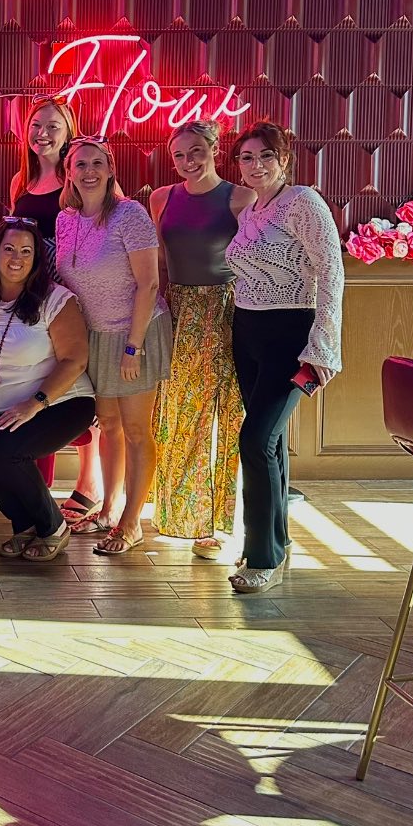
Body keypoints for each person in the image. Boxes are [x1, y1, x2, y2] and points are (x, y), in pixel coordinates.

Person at [225, 121, 344, 593]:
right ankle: (276, 541)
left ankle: (262, 558)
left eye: (265, 156)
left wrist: (322, 345)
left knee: (255, 441)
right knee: (269, 442)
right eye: (246, 157)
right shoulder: (249, 209)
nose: (255, 165)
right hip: (247, 330)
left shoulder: (303, 202)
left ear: (285, 159)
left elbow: (331, 273)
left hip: (291, 334)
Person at [0, 217, 96, 562]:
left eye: (26, 251)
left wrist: (36, 403)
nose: (17, 258)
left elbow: (75, 360)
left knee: (3, 451)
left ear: (37, 258)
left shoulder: (56, 300)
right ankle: (25, 522)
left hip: (60, 402)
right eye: (9, 249)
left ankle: (53, 526)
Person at [55, 137, 173, 556]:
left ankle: (132, 522)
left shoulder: (130, 214)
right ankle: (108, 510)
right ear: (68, 172)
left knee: (137, 430)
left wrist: (133, 347)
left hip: (134, 333)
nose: (89, 171)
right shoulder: (65, 219)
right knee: (107, 425)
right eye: (80, 164)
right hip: (94, 336)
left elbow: (149, 283)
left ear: (110, 169)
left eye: (97, 163)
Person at [149, 120, 255, 559]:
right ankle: (177, 512)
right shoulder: (161, 197)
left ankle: (217, 524)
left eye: (196, 151)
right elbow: (159, 260)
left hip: (223, 311)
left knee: (221, 413)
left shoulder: (241, 197)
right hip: (175, 311)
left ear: (215, 150)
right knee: (175, 412)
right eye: (179, 155)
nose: (188, 161)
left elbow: (254, 258)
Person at [10, 95, 105, 529]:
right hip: (35, 296)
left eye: (53, 126)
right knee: (48, 379)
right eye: (36, 125)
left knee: (85, 383)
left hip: (76, 293)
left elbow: (104, 229)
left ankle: (90, 482)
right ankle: (30, 474)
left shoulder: (79, 178)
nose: (42, 133)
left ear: (68, 132)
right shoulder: (21, 181)